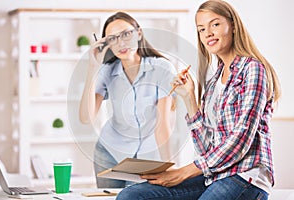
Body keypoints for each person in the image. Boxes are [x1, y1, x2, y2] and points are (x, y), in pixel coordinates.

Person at [116, 0, 281, 199]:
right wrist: (189, 99)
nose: (208, 33)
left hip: (246, 176)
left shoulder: (252, 69)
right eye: (201, 29)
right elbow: (207, 149)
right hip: (215, 175)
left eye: (215, 24)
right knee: (132, 195)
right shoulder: (213, 82)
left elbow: (241, 139)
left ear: (233, 26)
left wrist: (182, 172)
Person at [79, 11, 177, 188]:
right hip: (109, 153)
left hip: (147, 157)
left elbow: (163, 124)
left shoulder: (162, 68)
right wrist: (92, 67)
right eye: (112, 38)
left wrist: (168, 166)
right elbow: (86, 118)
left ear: (138, 33)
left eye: (126, 34)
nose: (121, 43)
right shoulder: (107, 71)